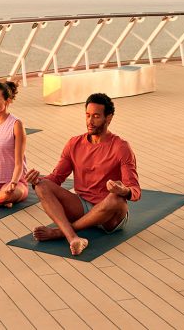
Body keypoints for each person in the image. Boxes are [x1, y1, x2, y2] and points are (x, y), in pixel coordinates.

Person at [25, 93, 140, 256]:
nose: (90, 121)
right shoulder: (74, 143)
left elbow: (135, 191)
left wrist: (123, 191)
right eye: (87, 115)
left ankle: (59, 232)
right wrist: (36, 181)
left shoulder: (121, 147)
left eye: (96, 116)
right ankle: (73, 238)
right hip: (81, 205)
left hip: (109, 215)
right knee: (42, 186)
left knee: (116, 199)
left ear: (109, 118)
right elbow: (57, 177)